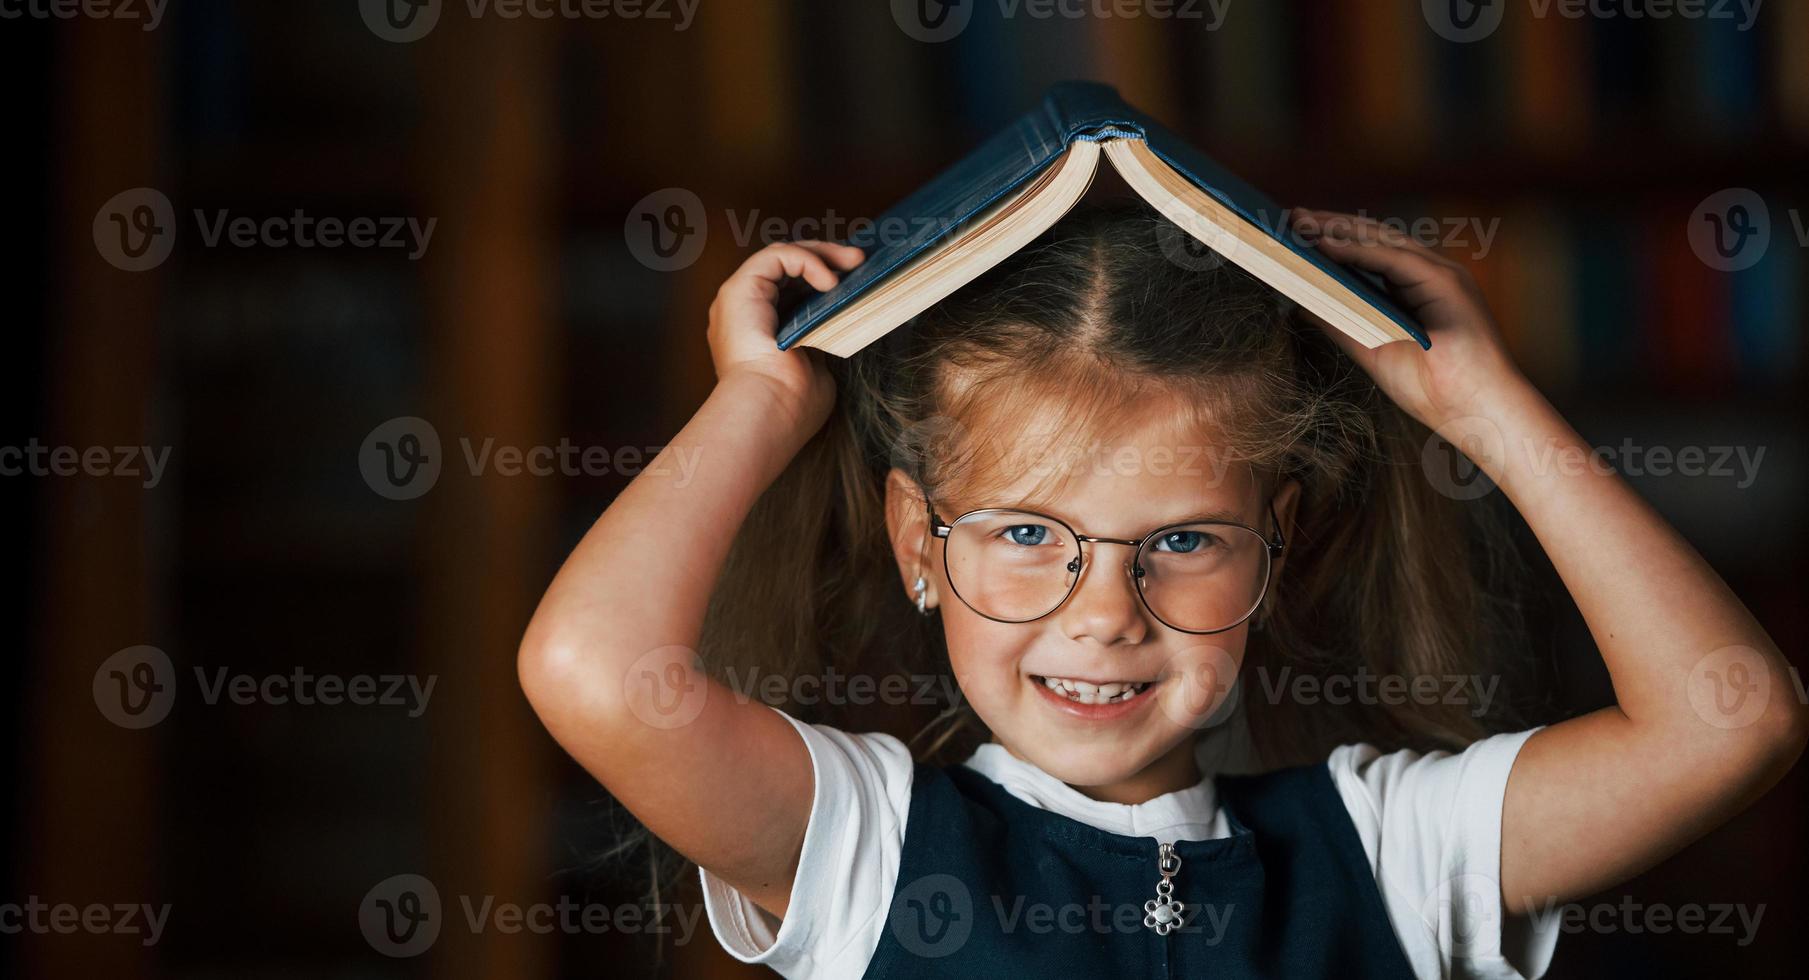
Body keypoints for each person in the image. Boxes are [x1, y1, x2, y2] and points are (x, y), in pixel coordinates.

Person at [518, 202, 1805, 978]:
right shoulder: (865, 846)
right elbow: (591, 671)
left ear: (1274, 546)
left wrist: (1484, 403)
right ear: (920, 540)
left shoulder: (1393, 851)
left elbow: (1729, 718)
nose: (1103, 612)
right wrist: (760, 398)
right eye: (1028, 529)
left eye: (1183, 541)